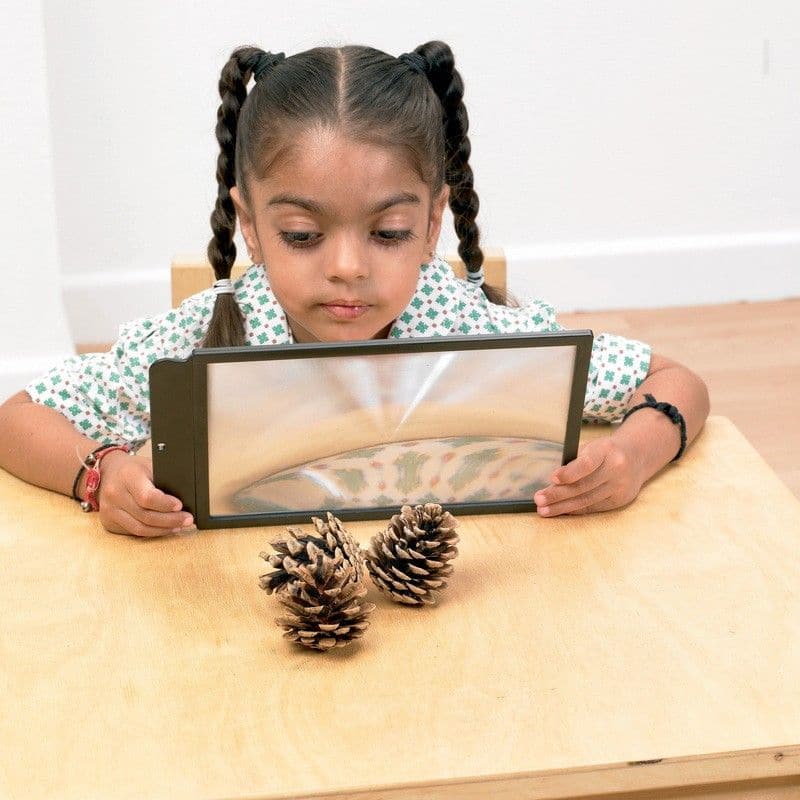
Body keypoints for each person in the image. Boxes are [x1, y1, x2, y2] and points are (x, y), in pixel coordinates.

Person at [0, 41, 709, 537]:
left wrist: (634, 455)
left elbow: (675, 379)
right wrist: (99, 474)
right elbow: (19, 417)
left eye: (389, 232)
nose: (347, 267)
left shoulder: (475, 334)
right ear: (250, 225)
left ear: (433, 223)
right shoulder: (196, 343)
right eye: (304, 236)